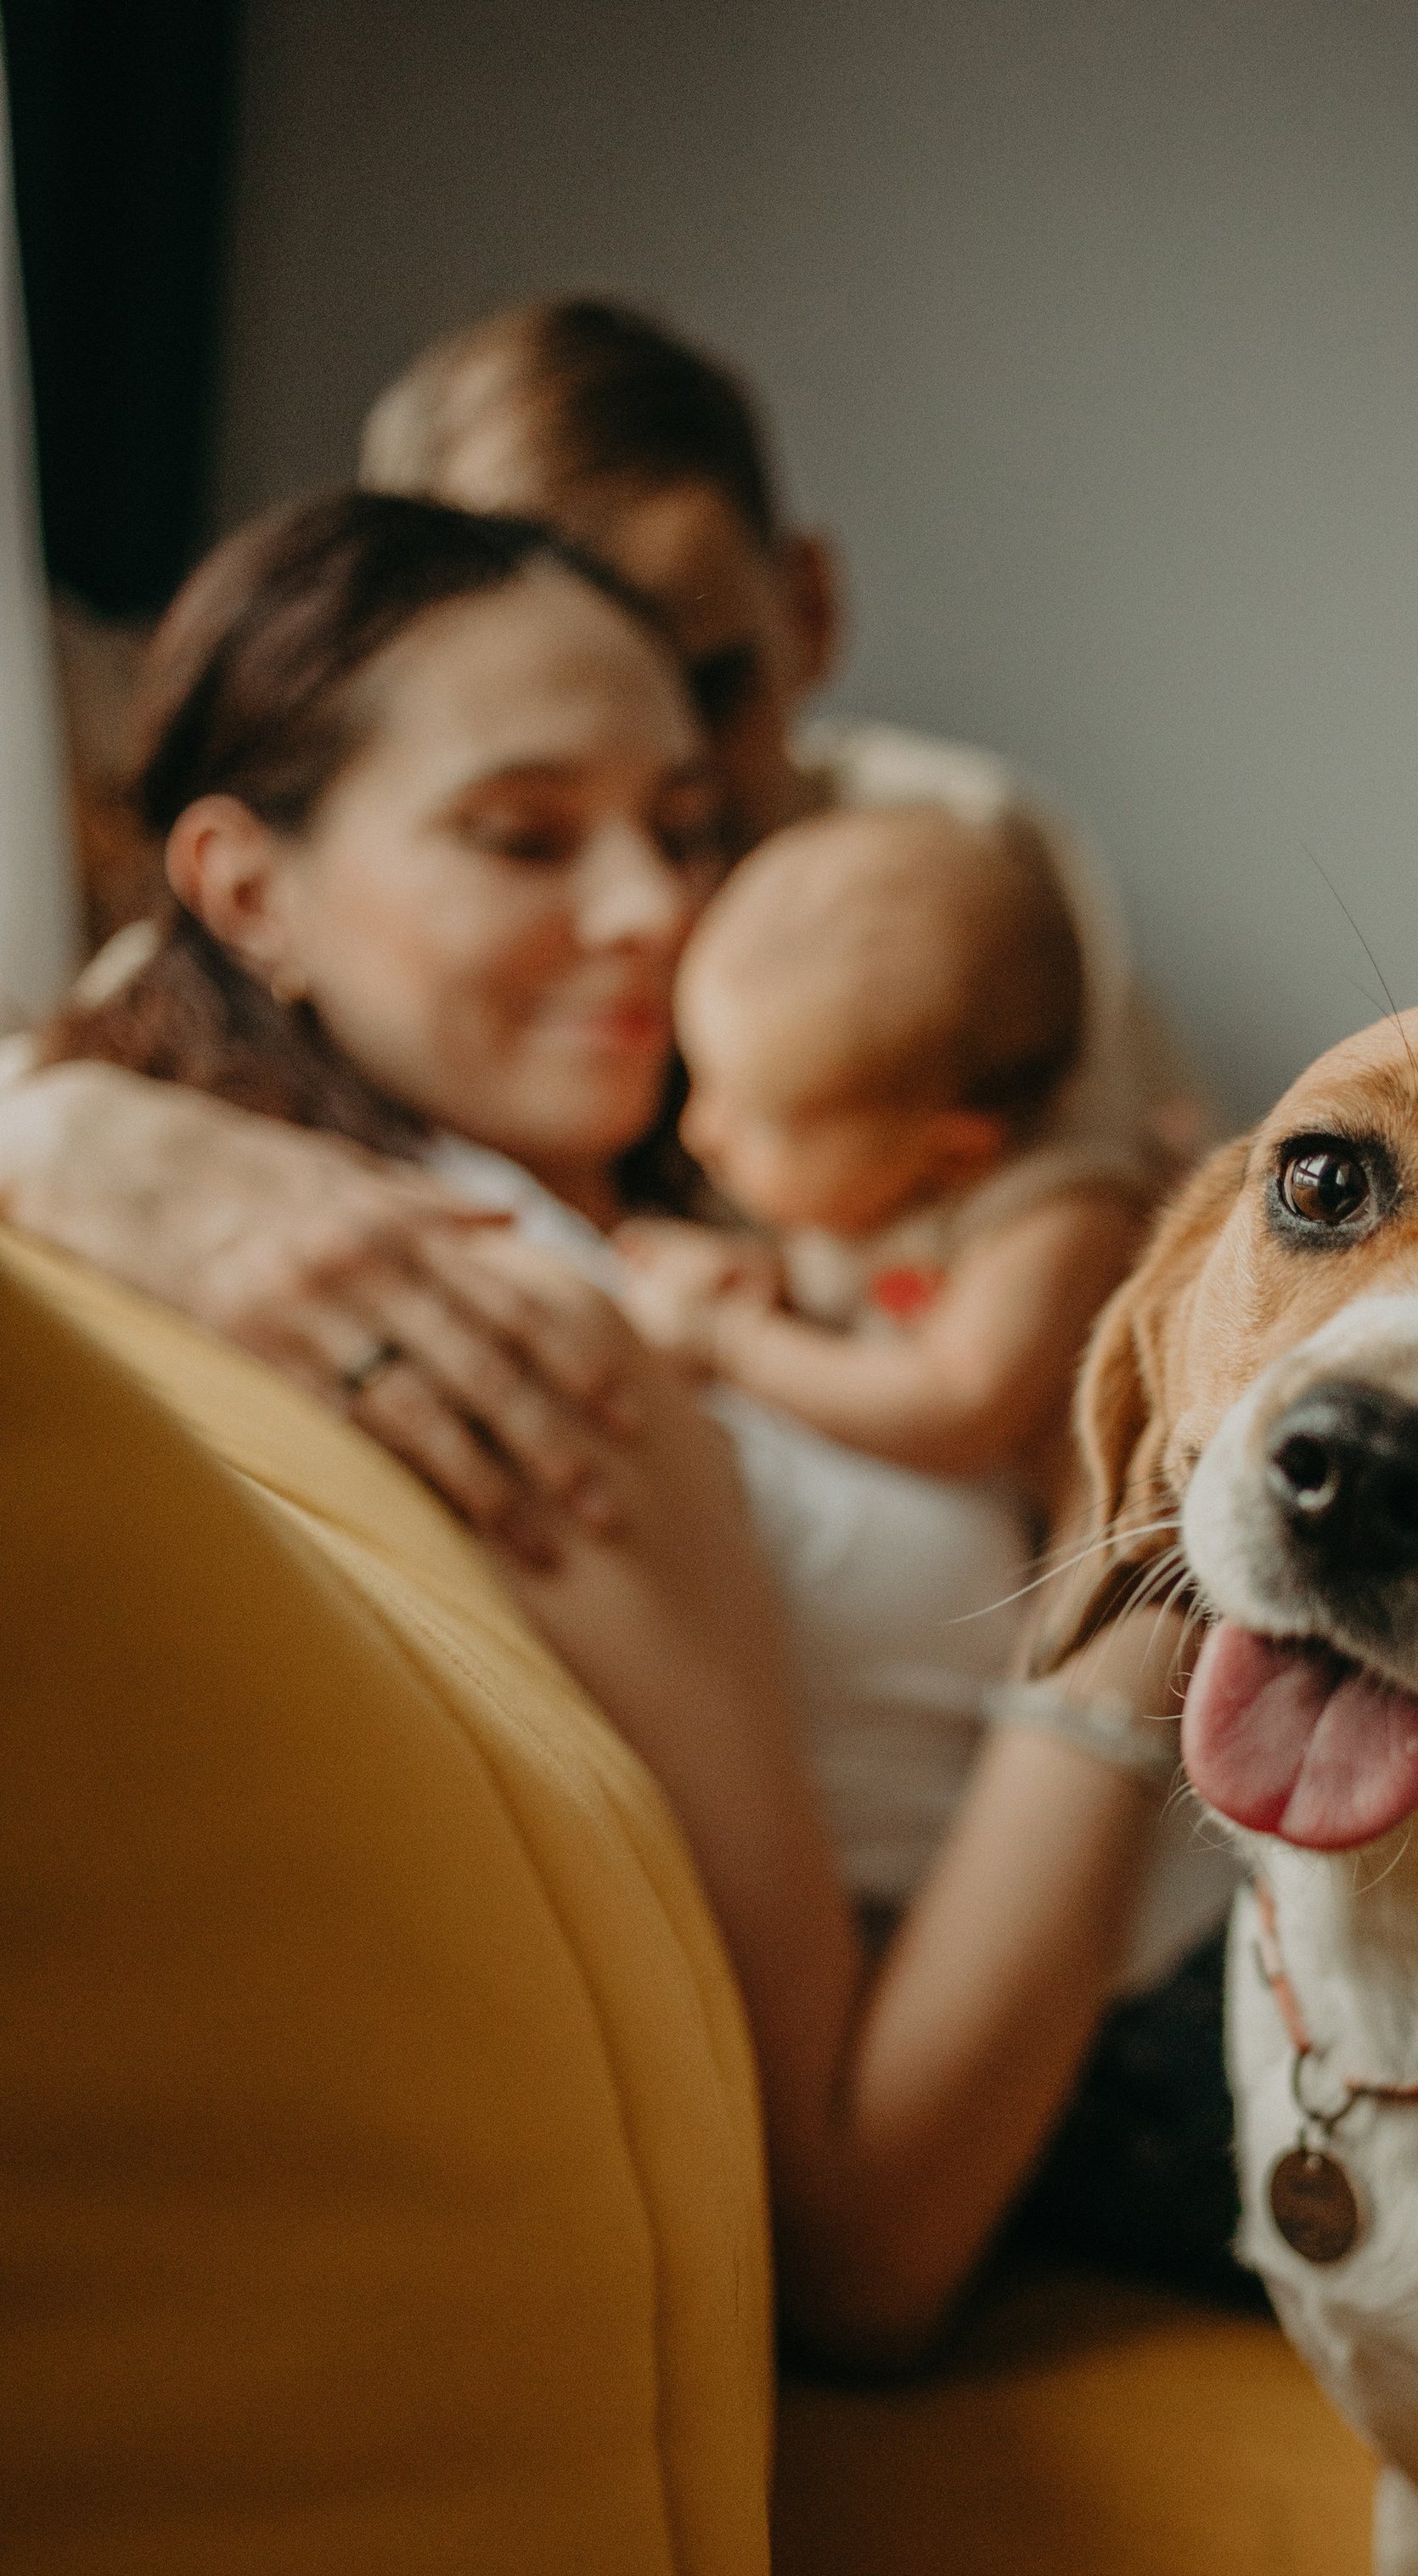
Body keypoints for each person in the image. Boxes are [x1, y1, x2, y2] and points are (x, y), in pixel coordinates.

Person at [29, 488, 1241, 2360]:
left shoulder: (669, 1176)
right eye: (522, 836)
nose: (656, 911)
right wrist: (1153, 1548)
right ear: (249, 891)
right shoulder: (487, 1323)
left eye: (686, 827)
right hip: (1174, 2026)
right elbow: (861, 2238)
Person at [0, 295, 1206, 1558]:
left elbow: (1116, 1324)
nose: (653, 898)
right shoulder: (310, 951)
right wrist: (65, 1141)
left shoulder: (954, 866)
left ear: (810, 606)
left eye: (702, 685)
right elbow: (116, 1046)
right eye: (528, 817)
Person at [619, 801, 1157, 1512]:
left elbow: (956, 1409)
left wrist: (733, 1341)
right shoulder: (868, 1176)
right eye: (702, 1080)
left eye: (760, 1123)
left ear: (956, 1151)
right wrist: (760, 1280)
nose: (699, 1132)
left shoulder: (1058, 1217)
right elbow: (852, 1298)